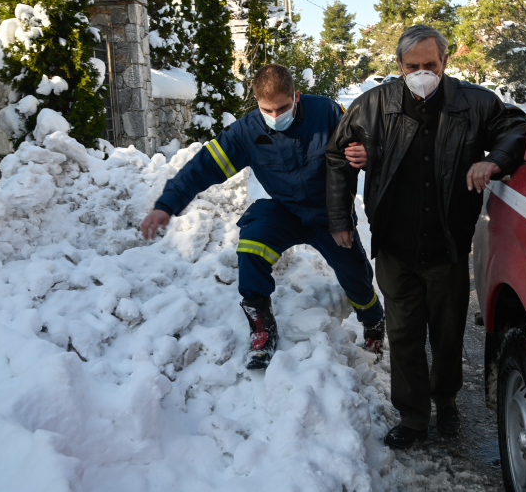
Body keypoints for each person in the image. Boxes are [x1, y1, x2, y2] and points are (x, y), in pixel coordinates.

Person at [326, 25, 526, 449]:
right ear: (399, 66)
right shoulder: (373, 106)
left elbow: (518, 126)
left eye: (430, 65)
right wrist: (339, 217)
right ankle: (414, 417)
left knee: (447, 332)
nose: (423, 74)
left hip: (447, 247)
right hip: (396, 248)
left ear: (445, 62)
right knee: (403, 335)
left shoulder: (473, 103)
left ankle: (447, 400)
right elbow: (338, 155)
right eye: (413, 66)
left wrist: (494, 160)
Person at [141, 64, 384, 370]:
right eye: (267, 109)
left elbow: (370, 143)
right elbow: (203, 166)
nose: (275, 115)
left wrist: (366, 157)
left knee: (356, 276)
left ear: (296, 96)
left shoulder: (327, 112)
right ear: (256, 103)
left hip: (329, 213)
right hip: (285, 209)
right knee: (251, 244)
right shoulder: (247, 132)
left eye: (283, 107)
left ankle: (374, 320)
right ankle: (261, 325)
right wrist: (167, 204)